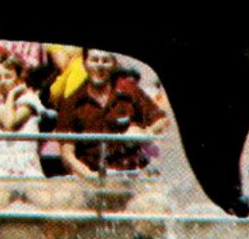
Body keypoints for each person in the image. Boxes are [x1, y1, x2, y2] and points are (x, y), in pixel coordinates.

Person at [0, 54, 56, 239]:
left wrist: (12, 97)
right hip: (3, 164)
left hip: (27, 163)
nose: (3, 81)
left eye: (7, 76)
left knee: (47, 203)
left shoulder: (30, 100)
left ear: (18, 78)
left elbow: (11, 123)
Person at [57, 48, 169, 180]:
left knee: (155, 200)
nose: (99, 66)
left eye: (105, 61)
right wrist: (90, 177)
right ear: (85, 64)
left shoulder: (130, 92)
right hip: (90, 177)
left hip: (130, 177)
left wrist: (145, 133)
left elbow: (162, 120)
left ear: (114, 64)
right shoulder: (72, 102)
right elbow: (67, 153)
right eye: (94, 60)